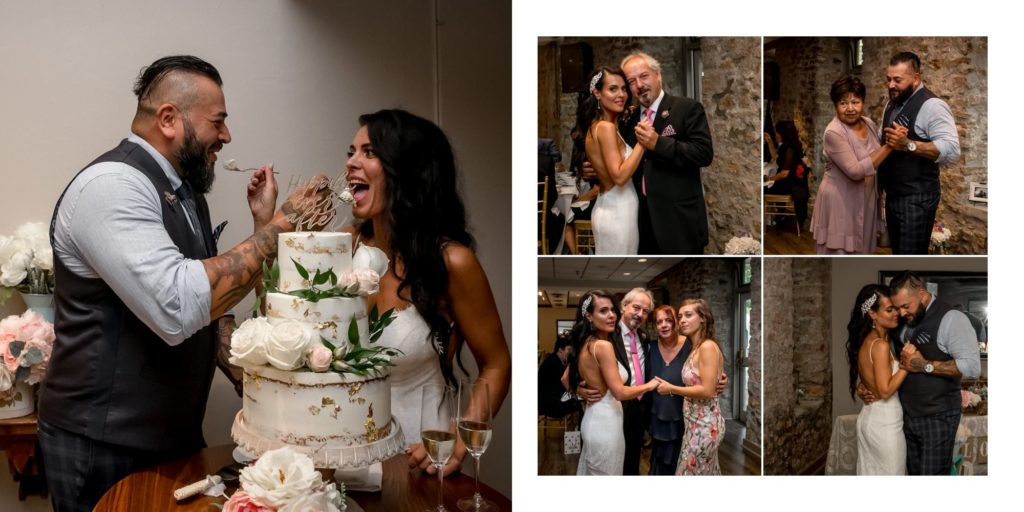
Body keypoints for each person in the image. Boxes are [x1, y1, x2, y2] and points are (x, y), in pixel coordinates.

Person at [37, 55, 332, 512]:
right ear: (170, 119)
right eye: (218, 122)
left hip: (168, 432)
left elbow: (207, 301)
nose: (227, 137)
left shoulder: (185, 190)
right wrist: (283, 225)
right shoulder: (114, 185)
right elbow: (177, 306)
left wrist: (259, 387)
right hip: (104, 442)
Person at [344, 109, 511, 477]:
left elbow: (497, 364)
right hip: (345, 460)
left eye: (369, 152)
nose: (352, 163)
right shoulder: (345, 246)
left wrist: (463, 436)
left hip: (418, 466)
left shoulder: (452, 262)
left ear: (406, 169)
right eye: (351, 151)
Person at [620, 52, 714, 254]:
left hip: (679, 221)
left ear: (657, 74)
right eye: (632, 81)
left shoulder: (687, 108)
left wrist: (658, 143)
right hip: (642, 221)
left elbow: (704, 153)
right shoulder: (627, 120)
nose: (639, 85)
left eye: (644, 76)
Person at [888, 271, 980, 474]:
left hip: (938, 417)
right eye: (897, 308)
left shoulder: (952, 319)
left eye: (906, 306)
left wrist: (925, 365)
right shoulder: (905, 321)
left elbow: (972, 367)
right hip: (908, 416)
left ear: (921, 294)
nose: (901, 313)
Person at [568, 290, 659, 475]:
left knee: (631, 462)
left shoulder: (643, 337)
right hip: (610, 413)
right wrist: (578, 390)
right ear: (624, 307)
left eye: (646, 311)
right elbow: (568, 375)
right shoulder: (607, 336)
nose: (640, 314)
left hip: (637, 410)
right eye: (636, 307)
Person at [878, 52, 961, 255]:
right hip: (894, 194)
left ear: (915, 78)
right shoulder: (891, 104)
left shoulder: (933, 106)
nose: (891, 85)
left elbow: (951, 149)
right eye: (888, 79)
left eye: (897, 80)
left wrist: (909, 144)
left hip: (918, 197)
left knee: (910, 256)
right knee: (897, 254)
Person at [810, 75, 894, 254]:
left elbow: (875, 158)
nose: (850, 108)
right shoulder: (833, 132)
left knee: (862, 250)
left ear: (863, 102)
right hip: (841, 201)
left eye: (855, 102)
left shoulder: (869, 123)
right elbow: (855, 171)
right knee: (841, 252)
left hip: (867, 199)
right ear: (835, 105)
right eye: (843, 103)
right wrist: (890, 146)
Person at [577, 66, 648, 255]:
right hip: (618, 211)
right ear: (597, 93)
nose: (622, 94)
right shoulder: (605, 128)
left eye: (624, 88)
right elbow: (619, 176)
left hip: (608, 205)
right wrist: (642, 143)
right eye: (613, 89)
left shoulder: (597, 126)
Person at [653, 299, 725, 475]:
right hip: (693, 424)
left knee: (688, 472)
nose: (682, 320)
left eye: (688, 315)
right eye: (680, 316)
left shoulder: (707, 346)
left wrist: (671, 388)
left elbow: (707, 391)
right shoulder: (695, 347)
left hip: (705, 425)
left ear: (703, 318)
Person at [846, 284, 909, 475]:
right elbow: (885, 391)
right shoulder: (880, 345)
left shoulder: (869, 340)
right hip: (884, 423)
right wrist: (907, 364)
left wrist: (861, 386)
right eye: (889, 310)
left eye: (896, 308)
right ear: (873, 314)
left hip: (872, 418)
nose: (896, 313)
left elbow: (871, 380)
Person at [647, 304, 691, 475]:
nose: (664, 325)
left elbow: (708, 371)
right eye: (659, 322)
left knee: (680, 465)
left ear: (676, 323)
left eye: (668, 321)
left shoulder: (691, 345)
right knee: (659, 464)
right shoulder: (649, 347)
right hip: (658, 417)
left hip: (685, 418)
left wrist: (721, 378)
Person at [764, 120, 811, 228]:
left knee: (763, 188)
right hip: (790, 183)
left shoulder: (789, 149)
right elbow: (776, 157)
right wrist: (770, 142)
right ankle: (778, 215)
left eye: (777, 132)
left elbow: (784, 174)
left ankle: (769, 220)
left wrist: (769, 178)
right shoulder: (787, 146)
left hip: (790, 186)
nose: (776, 134)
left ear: (782, 134)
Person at [538, 336, 579, 418]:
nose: (570, 353)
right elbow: (565, 381)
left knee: (580, 399)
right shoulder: (553, 363)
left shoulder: (554, 360)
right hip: (549, 404)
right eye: (569, 350)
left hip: (551, 399)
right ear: (560, 350)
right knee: (580, 403)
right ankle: (579, 428)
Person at [538, 137, 565, 253]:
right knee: (560, 219)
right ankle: (546, 253)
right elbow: (552, 195)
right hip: (539, 222)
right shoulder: (545, 161)